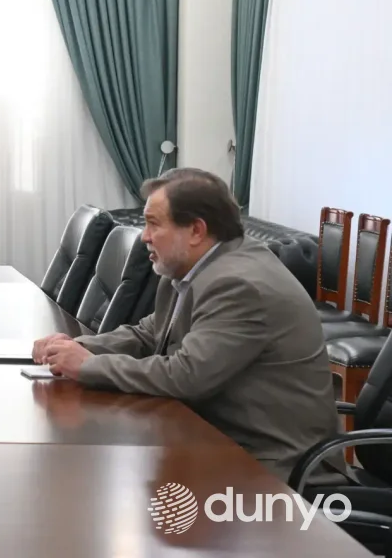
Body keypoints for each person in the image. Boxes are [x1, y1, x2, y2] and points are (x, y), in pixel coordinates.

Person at [32, 167, 340, 482]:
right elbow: (150, 333)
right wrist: (75, 348)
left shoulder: (239, 284)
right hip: (214, 437)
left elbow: (186, 375)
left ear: (195, 231)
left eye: (153, 224)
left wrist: (88, 366)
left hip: (270, 463)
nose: (144, 236)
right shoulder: (189, 266)